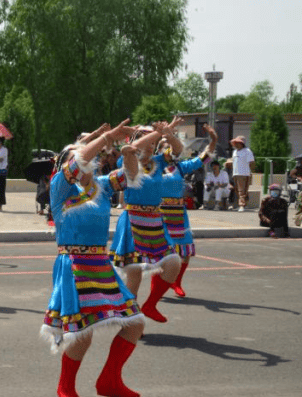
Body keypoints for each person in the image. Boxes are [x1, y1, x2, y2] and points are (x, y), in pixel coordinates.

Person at [42, 120, 145, 397]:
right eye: (79, 155)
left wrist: (129, 154)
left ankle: (110, 379)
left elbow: (131, 176)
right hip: (74, 266)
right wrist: (106, 137)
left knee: (135, 322)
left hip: (101, 264)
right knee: (83, 332)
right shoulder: (60, 187)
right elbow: (82, 159)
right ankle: (66, 387)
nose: (88, 159)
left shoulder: (102, 186)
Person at [109, 118, 184, 324]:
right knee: (134, 275)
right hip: (133, 219)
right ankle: (131, 319)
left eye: (152, 142)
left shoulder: (159, 162)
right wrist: (156, 134)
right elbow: (131, 148)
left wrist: (169, 133)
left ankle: (150, 305)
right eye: (147, 141)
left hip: (154, 220)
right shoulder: (125, 159)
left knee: (173, 262)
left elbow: (177, 150)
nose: (151, 146)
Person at [159, 127, 217, 297]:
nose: (169, 147)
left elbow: (203, 159)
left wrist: (213, 141)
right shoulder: (153, 167)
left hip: (178, 213)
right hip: (159, 214)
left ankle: (176, 282)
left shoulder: (180, 167)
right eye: (165, 145)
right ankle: (161, 284)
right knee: (161, 252)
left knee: (185, 251)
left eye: (171, 144)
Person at [226, 135, 255, 211]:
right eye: (235, 142)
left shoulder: (247, 151)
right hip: (235, 173)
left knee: (242, 190)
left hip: (244, 173)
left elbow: (251, 162)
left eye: (238, 142)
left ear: (242, 143)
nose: (236, 144)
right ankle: (245, 204)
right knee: (238, 190)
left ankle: (241, 205)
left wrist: (251, 172)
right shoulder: (234, 152)